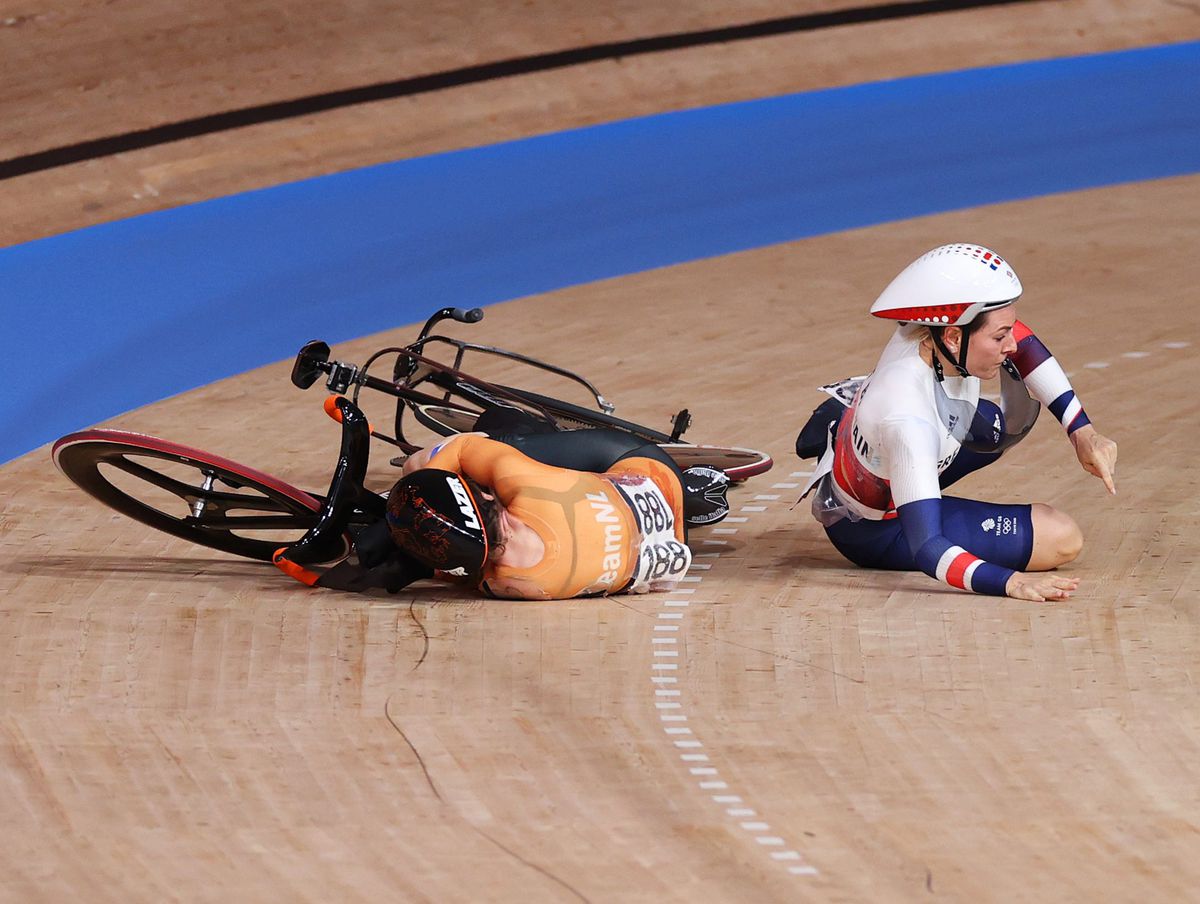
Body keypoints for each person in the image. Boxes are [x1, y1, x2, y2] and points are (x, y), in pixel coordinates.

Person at [797, 243, 1117, 602]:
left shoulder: (929, 333)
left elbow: (1027, 346)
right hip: (874, 529)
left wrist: (1082, 433)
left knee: (994, 425)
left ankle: (853, 432)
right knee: (1061, 539)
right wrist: (1009, 582)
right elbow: (929, 547)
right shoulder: (909, 420)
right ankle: (899, 479)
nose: (1012, 345)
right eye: (999, 337)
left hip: (891, 451)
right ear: (953, 337)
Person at [381, 430, 702, 599]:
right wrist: (426, 479)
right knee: (423, 462)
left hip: (669, 546)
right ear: (488, 494)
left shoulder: (503, 583)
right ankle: (521, 423)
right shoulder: (524, 487)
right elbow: (463, 447)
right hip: (652, 470)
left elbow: (449, 566)